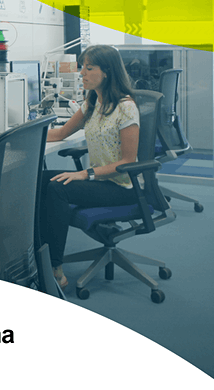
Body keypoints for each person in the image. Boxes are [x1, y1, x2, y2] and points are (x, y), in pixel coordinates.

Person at [39, 45, 140, 290]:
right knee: (40, 179)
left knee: (57, 189)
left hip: (121, 186)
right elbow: (61, 133)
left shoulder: (126, 107)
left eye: (89, 68)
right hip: (98, 181)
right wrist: (19, 137)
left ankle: (55, 268)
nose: (82, 73)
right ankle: (38, 257)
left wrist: (85, 174)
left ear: (106, 72)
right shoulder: (93, 101)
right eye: (82, 67)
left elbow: (128, 162)